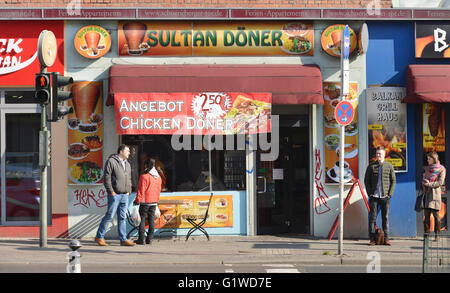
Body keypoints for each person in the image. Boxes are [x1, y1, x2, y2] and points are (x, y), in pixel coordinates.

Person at [95, 144, 135, 246]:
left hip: (124, 195)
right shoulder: (111, 161)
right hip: (115, 194)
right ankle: (99, 236)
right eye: (127, 151)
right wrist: (111, 191)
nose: (129, 153)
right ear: (121, 151)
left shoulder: (128, 164)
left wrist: (128, 190)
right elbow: (106, 177)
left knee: (122, 217)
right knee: (109, 215)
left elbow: (129, 179)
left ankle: (123, 239)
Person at [364, 146, 396, 246]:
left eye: (380, 154)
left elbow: (393, 181)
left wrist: (390, 194)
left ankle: (386, 239)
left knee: (385, 218)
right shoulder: (371, 166)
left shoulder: (389, 166)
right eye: (377, 154)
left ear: (384, 154)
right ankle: (372, 239)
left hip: (385, 197)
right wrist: (370, 193)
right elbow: (366, 181)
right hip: (374, 197)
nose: (378, 155)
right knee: (372, 218)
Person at [133, 158, 162, 245]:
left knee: (141, 219)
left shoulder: (144, 176)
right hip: (154, 202)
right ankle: (149, 239)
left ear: (146, 165)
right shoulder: (158, 177)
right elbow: (159, 190)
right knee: (151, 220)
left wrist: (137, 200)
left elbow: (141, 190)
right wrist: (156, 200)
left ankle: (141, 239)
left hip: (145, 201)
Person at [422, 151, 446, 242]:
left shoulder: (442, 169)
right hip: (427, 194)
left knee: (436, 216)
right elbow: (424, 178)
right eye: (427, 158)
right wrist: (424, 182)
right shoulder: (427, 169)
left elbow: (440, 183)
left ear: (434, 159)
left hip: (435, 195)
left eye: (429, 158)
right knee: (426, 216)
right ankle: (426, 235)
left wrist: (429, 184)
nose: (427, 160)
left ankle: (437, 235)